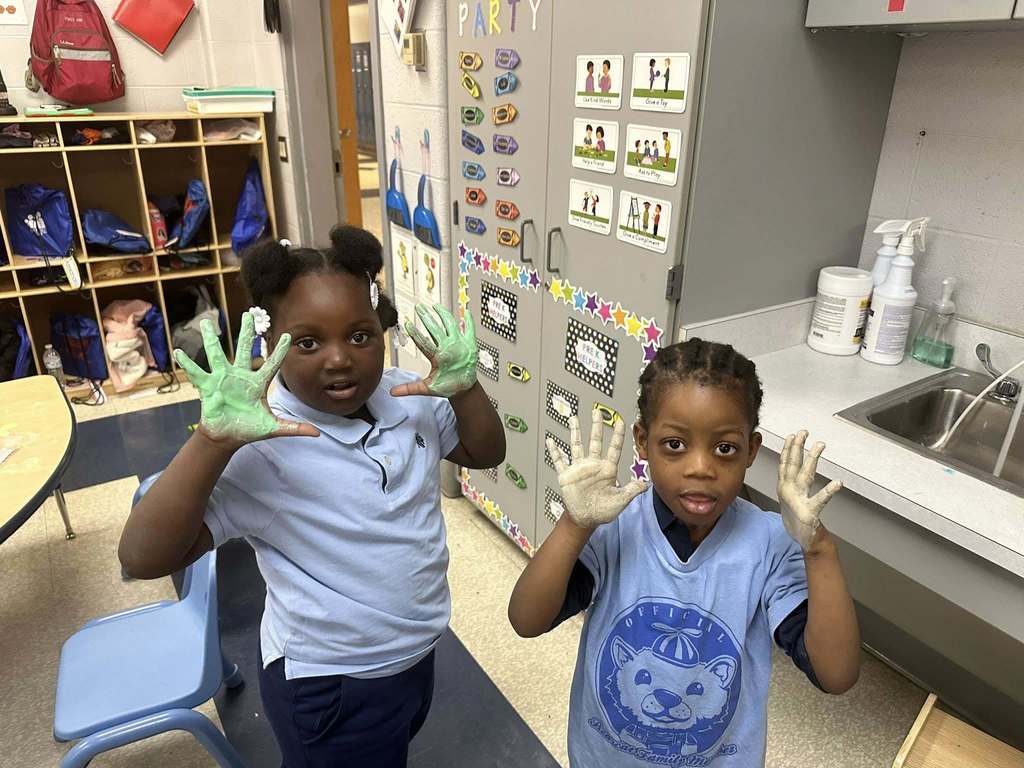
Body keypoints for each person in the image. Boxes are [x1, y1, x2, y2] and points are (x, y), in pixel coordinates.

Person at [118, 226, 506, 768]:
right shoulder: (264, 445)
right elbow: (142, 558)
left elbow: (483, 452)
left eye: (360, 335)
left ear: (383, 328)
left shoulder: (405, 397)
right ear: (267, 339)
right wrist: (213, 443)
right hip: (331, 683)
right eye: (306, 342)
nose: (339, 358)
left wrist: (465, 387)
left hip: (411, 654)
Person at [508, 339, 860, 767]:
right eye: (675, 444)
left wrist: (819, 550)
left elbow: (836, 675)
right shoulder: (616, 526)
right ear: (642, 441)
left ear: (751, 450)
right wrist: (574, 525)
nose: (700, 467)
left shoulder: (768, 543)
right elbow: (527, 620)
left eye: (724, 448)